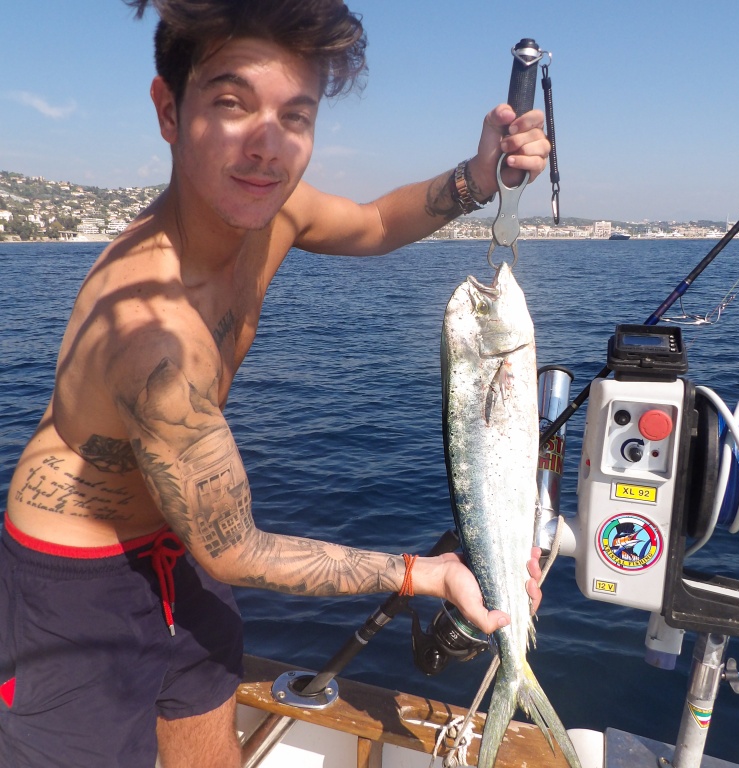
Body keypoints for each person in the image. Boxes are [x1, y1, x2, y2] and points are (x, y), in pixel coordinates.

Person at [0, 1, 552, 765]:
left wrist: (476, 177)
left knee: (206, 733)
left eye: (295, 116)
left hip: (179, 542)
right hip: (77, 583)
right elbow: (235, 549)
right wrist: (422, 573)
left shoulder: (275, 211)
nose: (266, 146)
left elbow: (370, 222)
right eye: (231, 104)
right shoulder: (151, 336)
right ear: (169, 110)